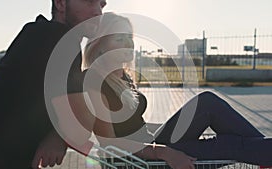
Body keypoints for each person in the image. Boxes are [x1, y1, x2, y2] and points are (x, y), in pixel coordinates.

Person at [64, 12, 272, 169]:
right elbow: (110, 144)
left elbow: (136, 125)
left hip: (150, 145)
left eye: (130, 37)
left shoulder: (121, 75)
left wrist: (167, 134)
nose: (128, 43)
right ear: (99, 45)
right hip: (135, 161)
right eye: (119, 38)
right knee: (231, 145)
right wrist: (161, 152)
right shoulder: (92, 80)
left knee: (207, 102)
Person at [0, 0, 107, 169]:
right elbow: (77, 126)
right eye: (89, 2)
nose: (98, 12)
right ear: (60, 4)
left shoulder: (41, 32)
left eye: (102, 5)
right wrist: (60, 136)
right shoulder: (56, 37)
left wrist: (57, 135)